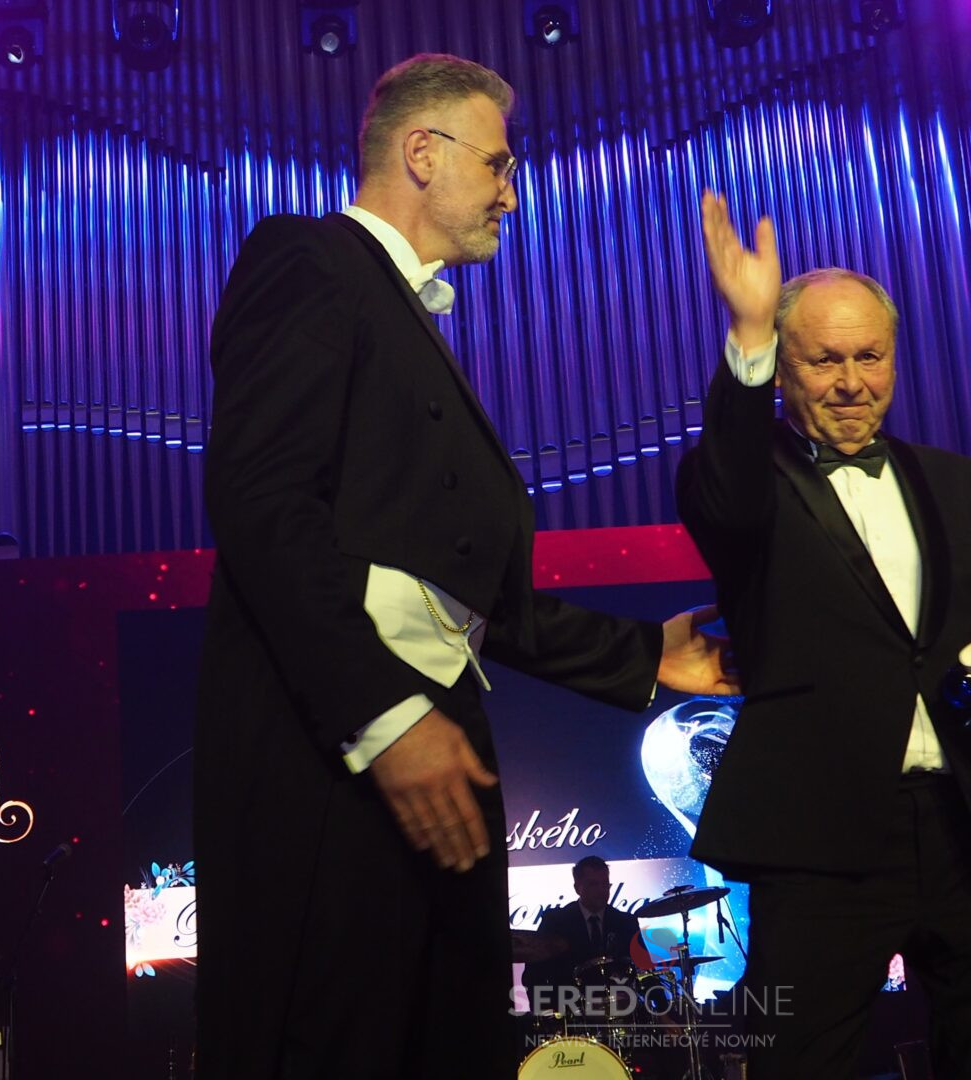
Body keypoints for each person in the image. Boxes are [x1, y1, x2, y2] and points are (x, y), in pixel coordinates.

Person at [194, 55, 735, 1079]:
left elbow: (469, 597)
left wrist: (643, 656)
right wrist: (386, 717)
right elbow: (261, 501)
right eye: (497, 163)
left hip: (429, 760)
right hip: (330, 769)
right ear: (421, 152)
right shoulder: (307, 259)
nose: (510, 192)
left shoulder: (407, 320)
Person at [675, 191, 971, 1080]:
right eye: (824, 360)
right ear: (784, 370)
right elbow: (729, 490)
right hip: (821, 844)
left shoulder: (962, 482)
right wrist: (748, 332)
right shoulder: (737, 478)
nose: (852, 382)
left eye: (870, 356)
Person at [522, 856, 641, 1015]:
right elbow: (534, 974)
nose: (601, 890)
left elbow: (644, 969)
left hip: (620, 1010)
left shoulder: (625, 922)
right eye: (594, 884)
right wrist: (545, 1014)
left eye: (605, 884)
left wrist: (661, 1011)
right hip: (569, 1010)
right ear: (577, 888)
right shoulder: (556, 922)